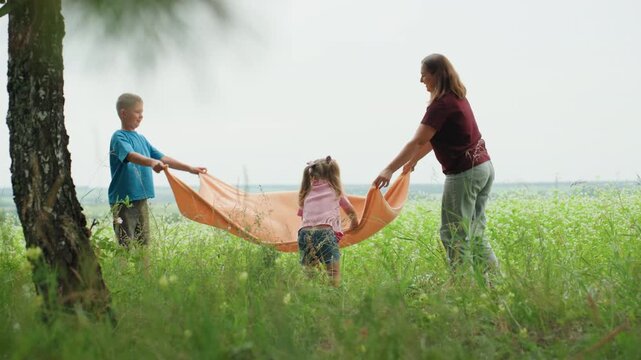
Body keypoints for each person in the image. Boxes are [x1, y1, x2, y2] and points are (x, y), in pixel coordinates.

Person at [373, 54, 499, 276]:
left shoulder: (441, 105)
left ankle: (464, 285)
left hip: (465, 173)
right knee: (475, 231)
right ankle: (494, 283)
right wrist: (413, 160)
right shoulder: (457, 98)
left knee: (453, 233)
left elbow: (417, 140)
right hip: (483, 168)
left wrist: (388, 169)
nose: (421, 80)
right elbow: (432, 139)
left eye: (424, 75)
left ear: (436, 75)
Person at [109, 93, 207, 247]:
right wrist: (151, 162)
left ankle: (144, 271)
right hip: (123, 201)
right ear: (123, 113)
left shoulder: (141, 139)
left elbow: (163, 158)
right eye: (137, 112)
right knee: (125, 244)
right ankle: (123, 272)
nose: (141, 116)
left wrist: (189, 168)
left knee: (144, 243)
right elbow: (131, 155)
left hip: (141, 198)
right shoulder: (119, 137)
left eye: (142, 112)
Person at [297, 156, 359, 287]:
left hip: (304, 234)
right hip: (325, 232)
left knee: (309, 272)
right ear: (333, 174)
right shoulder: (335, 190)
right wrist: (355, 224)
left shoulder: (306, 192)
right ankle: (334, 295)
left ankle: (310, 294)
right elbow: (350, 210)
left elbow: (303, 217)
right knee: (333, 273)